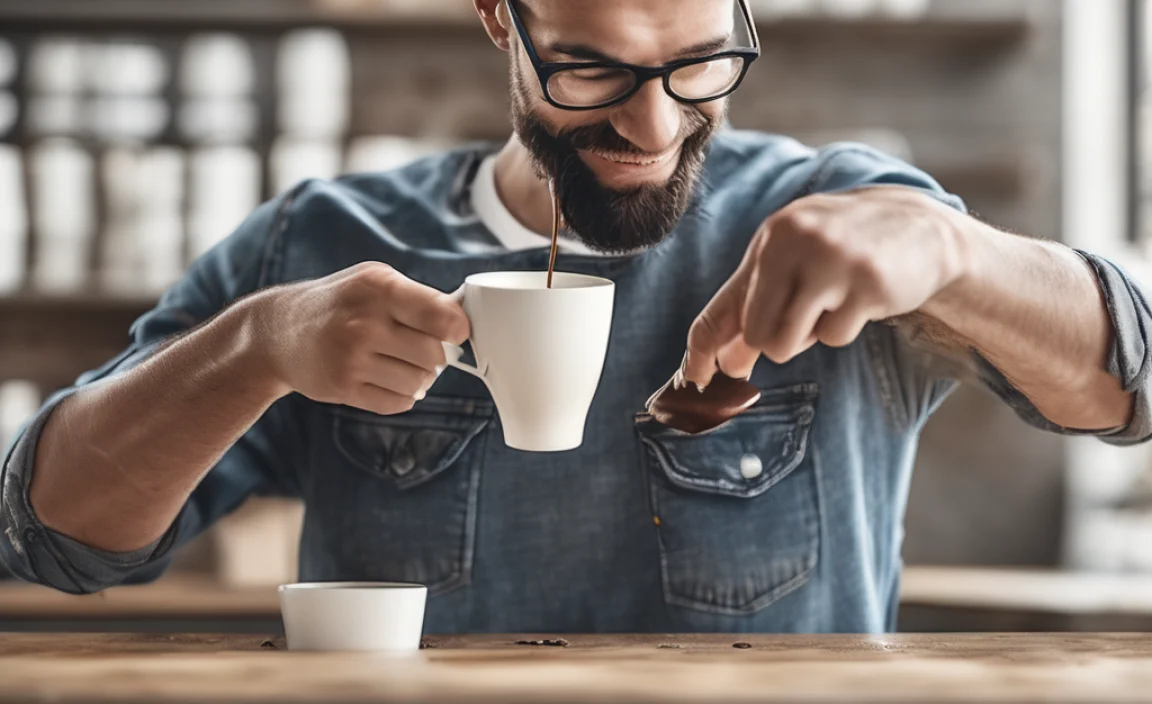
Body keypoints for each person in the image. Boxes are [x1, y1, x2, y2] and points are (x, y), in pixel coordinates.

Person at [1, 0, 1147, 633]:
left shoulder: (840, 215)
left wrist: (959, 255)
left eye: (699, 63)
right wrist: (255, 347)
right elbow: (49, 535)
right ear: (501, 18)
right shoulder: (320, 242)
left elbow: (1131, 382)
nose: (652, 125)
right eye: (591, 69)